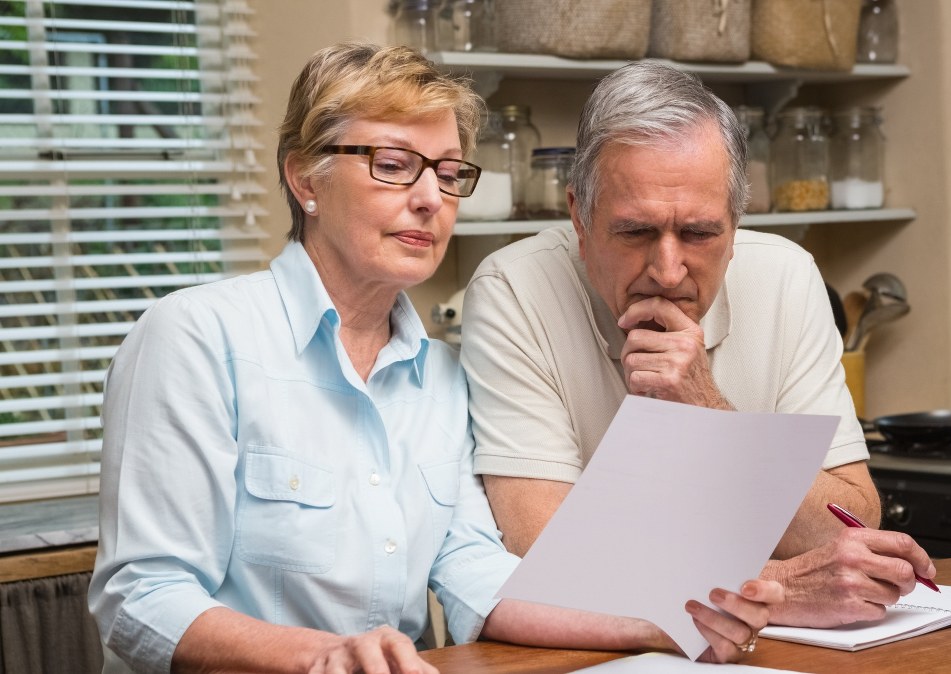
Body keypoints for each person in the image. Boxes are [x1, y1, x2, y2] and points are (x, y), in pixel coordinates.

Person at [88, 43, 782, 674]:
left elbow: (473, 571)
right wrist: (322, 656)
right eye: (393, 166)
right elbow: (141, 597)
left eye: (449, 176)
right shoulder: (196, 337)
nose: (429, 199)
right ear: (305, 179)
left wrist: (659, 623)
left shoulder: (442, 377)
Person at [461, 60, 936, 629]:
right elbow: (542, 555)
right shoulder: (514, 289)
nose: (667, 271)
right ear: (579, 219)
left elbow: (848, 526)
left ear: (735, 224)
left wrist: (706, 409)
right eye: (635, 231)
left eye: (700, 233)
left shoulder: (786, 276)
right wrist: (775, 586)